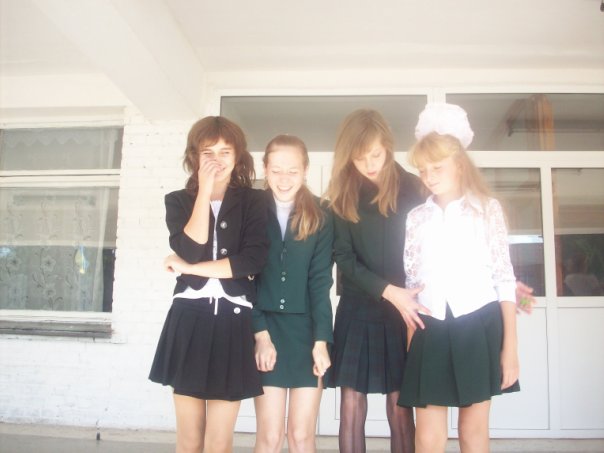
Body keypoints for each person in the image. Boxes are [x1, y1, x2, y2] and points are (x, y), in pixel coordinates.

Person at [397, 103, 521, 453]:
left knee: (473, 430)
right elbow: (412, 287)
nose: (429, 176)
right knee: (428, 435)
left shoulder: (487, 209)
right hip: (429, 328)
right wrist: (411, 344)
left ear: (460, 164)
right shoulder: (416, 218)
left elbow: (505, 279)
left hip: (479, 324)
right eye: (423, 170)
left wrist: (510, 348)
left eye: (437, 167)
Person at [148, 116, 269, 453]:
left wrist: (189, 268)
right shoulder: (178, 200)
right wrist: (203, 191)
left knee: (219, 441)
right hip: (188, 319)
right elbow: (190, 246)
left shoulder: (254, 201)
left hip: (234, 321)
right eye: (208, 152)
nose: (217, 159)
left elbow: (251, 261)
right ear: (194, 157)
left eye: (225, 151)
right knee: (189, 439)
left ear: (238, 155)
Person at [325, 109, 426, 453]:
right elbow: (343, 257)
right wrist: (388, 291)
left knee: (400, 405)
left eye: (375, 155)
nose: (369, 164)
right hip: (358, 306)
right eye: (359, 157)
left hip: (405, 310)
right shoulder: (342, 194)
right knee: (351, 403)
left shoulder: (415, 188)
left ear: (388, 147)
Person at [252, 135, 334, 453]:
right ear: (265, 169)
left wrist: (321, 341)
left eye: (293, 171)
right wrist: (260, 335)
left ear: (305, 170)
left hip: (307, 334)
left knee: (301, 436)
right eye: (276, 170)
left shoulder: (322, 214)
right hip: (267, 330)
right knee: (270, 437)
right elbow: (245, 280)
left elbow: (320, 282)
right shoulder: (251, 209)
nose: (284, 179)